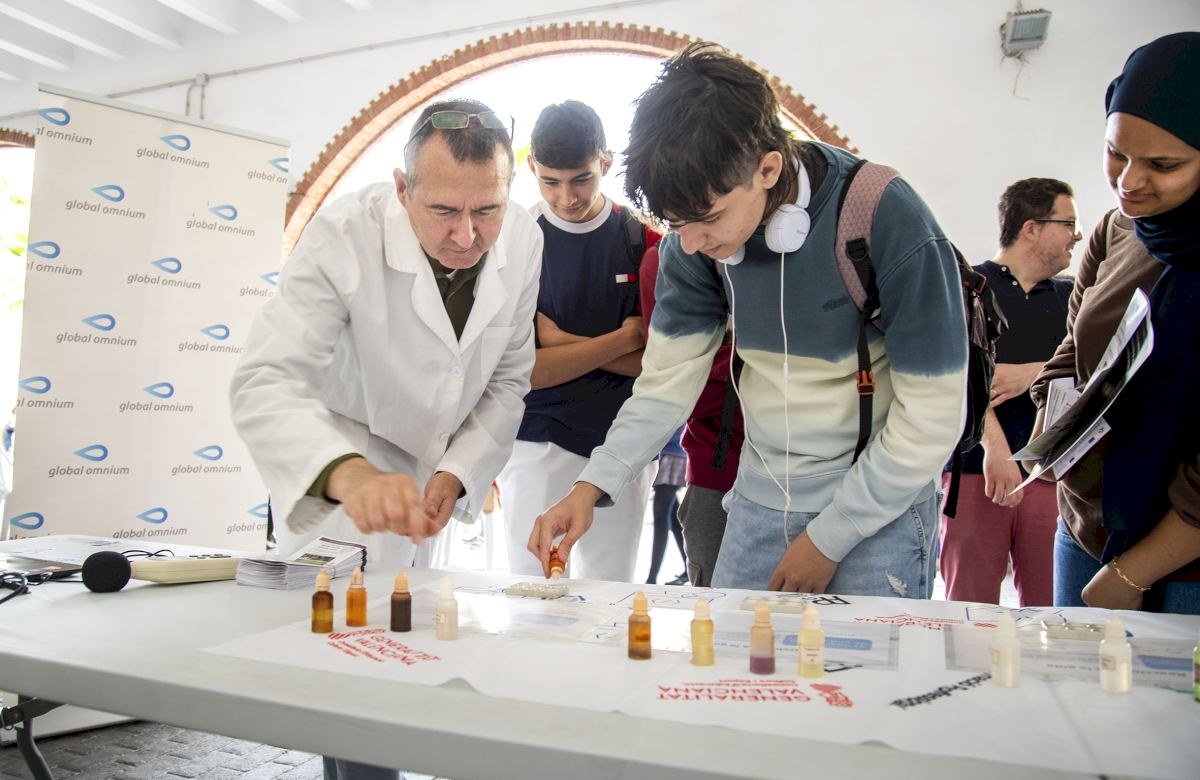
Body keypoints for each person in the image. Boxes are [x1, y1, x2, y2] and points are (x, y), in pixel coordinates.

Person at [529, 43, 967, 596]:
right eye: (676, 224)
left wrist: (829, 538)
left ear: (767, 168)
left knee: (862, 656)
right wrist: (589, 487)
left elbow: (933, 415)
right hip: (759, 497)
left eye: (708, 218)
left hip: (878, 506)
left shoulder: (883, 215)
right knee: (731, 650)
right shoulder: (693, 244)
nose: (691, 243)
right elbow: (664, 387)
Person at [1030, 32, 1200, 614]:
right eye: (1116, 153)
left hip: (1182, 558)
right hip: (1085, 526)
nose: (1129, 181)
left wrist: (1132, 574)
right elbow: (1075, 348)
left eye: (1163, 165)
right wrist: (1050, 425)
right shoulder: (1117, 229)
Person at [496, 100, 657, 581]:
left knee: (609, 594)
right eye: (550, 182)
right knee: (532, 590)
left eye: (581, 179)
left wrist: (560, 341)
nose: (566, 197)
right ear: (531, 168)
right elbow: (528, 370)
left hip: (621, 445)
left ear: (605, 163)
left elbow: (655, 365)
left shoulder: (642, 240)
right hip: (536, 441)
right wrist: (623, 338)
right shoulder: (514, 242)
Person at [938, 178, 1077, 606]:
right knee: (969, 613)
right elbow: (953, 373)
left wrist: (1033, 373)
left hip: (1052, 479)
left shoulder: (1074, 297)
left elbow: (1094, 369)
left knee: (1052, 614)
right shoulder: (966, 287)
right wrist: (995, 450)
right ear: (1031, 227)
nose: (1077, 236)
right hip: (974, 475)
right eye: (1068, 223)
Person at [639, 243, 744, 587]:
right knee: (716, 606)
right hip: (716, 468)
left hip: (811, 469)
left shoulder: (782, 248)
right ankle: (653, 577)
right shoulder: (665, 260)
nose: (694, 237)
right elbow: (674, 382)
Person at [646, 426, 688, 585]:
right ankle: (688, 567)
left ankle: (651, 578)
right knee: (672, 517)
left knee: (660, 515)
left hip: (673, 455)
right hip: (665, 454)